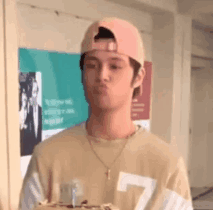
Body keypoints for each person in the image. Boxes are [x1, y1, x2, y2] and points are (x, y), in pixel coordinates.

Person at [18, 17, 193, 210]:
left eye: (115, 66)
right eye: (92, 65)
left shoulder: (167, 165)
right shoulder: (47, 158)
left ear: (138, 76)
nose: (102, 75)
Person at [21, 79, 42, 156]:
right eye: (33, 92)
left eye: (37, 91)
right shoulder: (25, 112)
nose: (35, 95)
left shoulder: (41, 111)